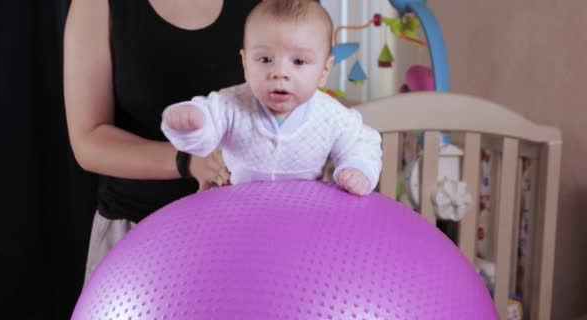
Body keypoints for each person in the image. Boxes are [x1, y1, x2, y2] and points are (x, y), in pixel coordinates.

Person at [63, 0, 260, 285]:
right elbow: (89, 139)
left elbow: (297, 103)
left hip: (246, 236)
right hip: (135, 235)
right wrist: (188, 160)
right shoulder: (95, 4)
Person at [161, 0, 383, 196]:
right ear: (246, 63)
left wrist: (358, 167)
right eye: (266, 59)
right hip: (238, 209)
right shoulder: (231, 103)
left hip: (304, 210)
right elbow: (208, 124)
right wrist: (193, 123)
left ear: (324, 71)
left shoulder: (330, 115)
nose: (279, 72)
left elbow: (360, 141)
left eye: (298, 62)